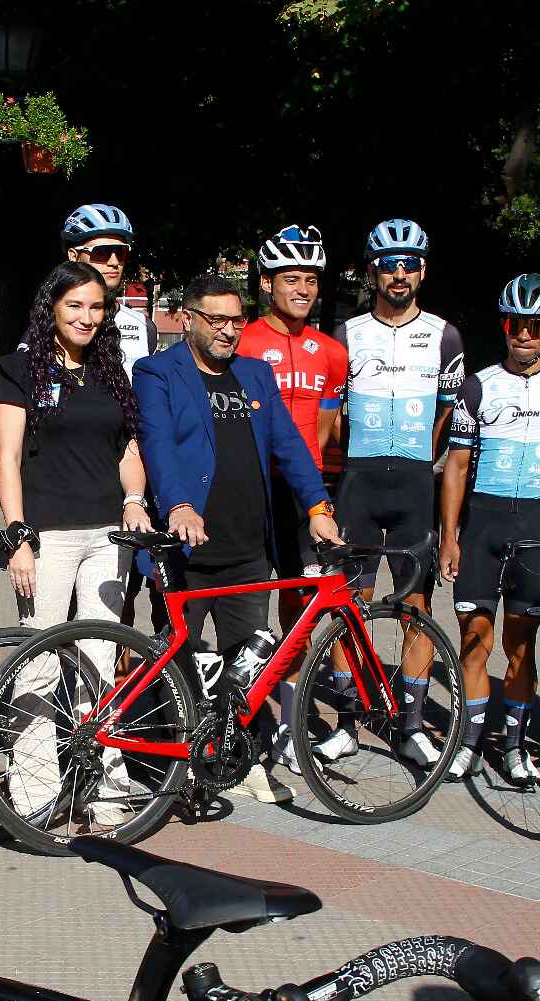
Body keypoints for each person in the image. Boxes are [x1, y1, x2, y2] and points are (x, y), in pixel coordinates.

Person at [135, 275, 341, 804]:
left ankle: (236, 758)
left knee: (245, 663)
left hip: (249, 547)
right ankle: (172, 769)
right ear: (187, 318)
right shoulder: (158, 372)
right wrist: (178, 505)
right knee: (178, 662)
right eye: (217, 320)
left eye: (235, 320)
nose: (229, 331)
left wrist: (318, 506)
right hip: (189, 546)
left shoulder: (254, 374)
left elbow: (290, 446)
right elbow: (157, 445)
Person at [0, 261, 153, 824]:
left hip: (108, 534)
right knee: (37, 663)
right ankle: (36, 793)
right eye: (74, 306)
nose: (87, 317)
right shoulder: (17, 371)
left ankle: (105, 786)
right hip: (48, 535)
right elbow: (8, 461)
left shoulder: (111, 374)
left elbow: (127, 451)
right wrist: (18, 537)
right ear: (51, 308)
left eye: (96, 307)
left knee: (100, 661)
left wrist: (135, 498)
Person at [322, 218, 465, 769]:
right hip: (357, 480)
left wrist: (417, 464)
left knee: (416, 607)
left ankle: (409, 727)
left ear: (423, 271)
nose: (398, 273)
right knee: (347, 606)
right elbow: (332, 419)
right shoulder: (347, 333)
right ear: (372, 271)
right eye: (388, 264)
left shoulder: (445, 334)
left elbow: (446, 417)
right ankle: (348, 724)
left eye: (409, 264)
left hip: (412, 485)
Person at [438, 275, 540, 783]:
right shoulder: (477, 385)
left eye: (537, 327)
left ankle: (517, 747)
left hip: (536, 527)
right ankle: (470, 741)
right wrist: (450, 537)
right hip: (484, 526)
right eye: (516, 325)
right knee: (474, 639)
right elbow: (455, 466)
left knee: (522, 645)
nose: (525, 336)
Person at [235, 225, 349, 773]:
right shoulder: (244, 340)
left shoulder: (330, 352)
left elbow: (323, 431)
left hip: (302, 497)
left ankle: (291, 720)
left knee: (301, 610)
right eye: (290, 278)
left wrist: (311, 494)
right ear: (267, 284)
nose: (302, 288)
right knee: (249, 606)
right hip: (253, 493)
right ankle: (249, 717)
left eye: (309, 279)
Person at [57, 204, 159, 374]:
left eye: (121, 253)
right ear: (73, 256)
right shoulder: (49, 318)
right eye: (102, 252)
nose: (114, 262)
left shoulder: (143, 326)